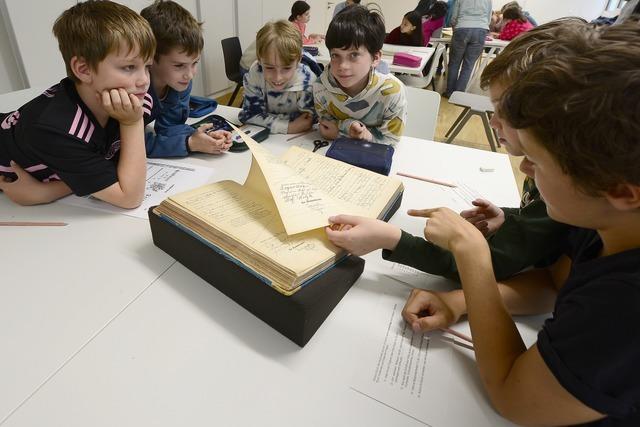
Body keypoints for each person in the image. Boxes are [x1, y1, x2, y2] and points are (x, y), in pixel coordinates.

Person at [402, 20, 640, 426]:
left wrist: (472, 256)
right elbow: (552, 283)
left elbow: (514, 397)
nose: (526, 170)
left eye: (537, 159)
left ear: (620, 190)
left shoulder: (626, 306)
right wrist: (456, 301)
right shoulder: (604, 221)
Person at [325, 19, 580, 284]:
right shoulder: (549, 168)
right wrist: (510, 217)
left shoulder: (562, 184)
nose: (493, 123)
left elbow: (485, 264)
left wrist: (391, 238)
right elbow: (536, 223)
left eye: (506, 113)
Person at [0, 0, 156, 208]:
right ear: (83, 70)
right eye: (128, 67)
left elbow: (114, 160)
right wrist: (131, 124)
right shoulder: (56, 128)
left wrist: (48, 192)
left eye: (147, 66)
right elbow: (129, 197)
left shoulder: (134, 95)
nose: (144, 80)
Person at [141, 0, 231, 158]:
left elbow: (170, 127)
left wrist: (200, 136)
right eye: (179, 65)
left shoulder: (179, 83)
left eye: (194, 63)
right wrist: (189, 143)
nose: (190, 74)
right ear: (150, 58)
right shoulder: (134, 90)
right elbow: (129, 146)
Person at [313, 5, 407, 146]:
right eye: (335, 55)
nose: (342, 66)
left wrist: (342, 133)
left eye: (354, 55)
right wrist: (350, 128)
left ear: (375, 58)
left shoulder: (392, 92)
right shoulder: (321, 87)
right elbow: (325, 127)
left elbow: (391, 140)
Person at [238, 20, 317, 135]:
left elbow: (307, 122)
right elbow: (249, 115)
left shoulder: (307, 81)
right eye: (269, 68)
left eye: (286, 68)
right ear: (259, 59)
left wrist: (265, 118)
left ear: (299, 60)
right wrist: (288, 126)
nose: (278, 78)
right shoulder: (255, 73)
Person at [444, 0, 492, 97]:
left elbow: (454, 17)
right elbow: (489, 17)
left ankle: (449, 92)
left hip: (462, 27)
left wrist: (455, 27)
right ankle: (459, 95)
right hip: (481, 29)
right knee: (468, 66)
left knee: (454, 63)